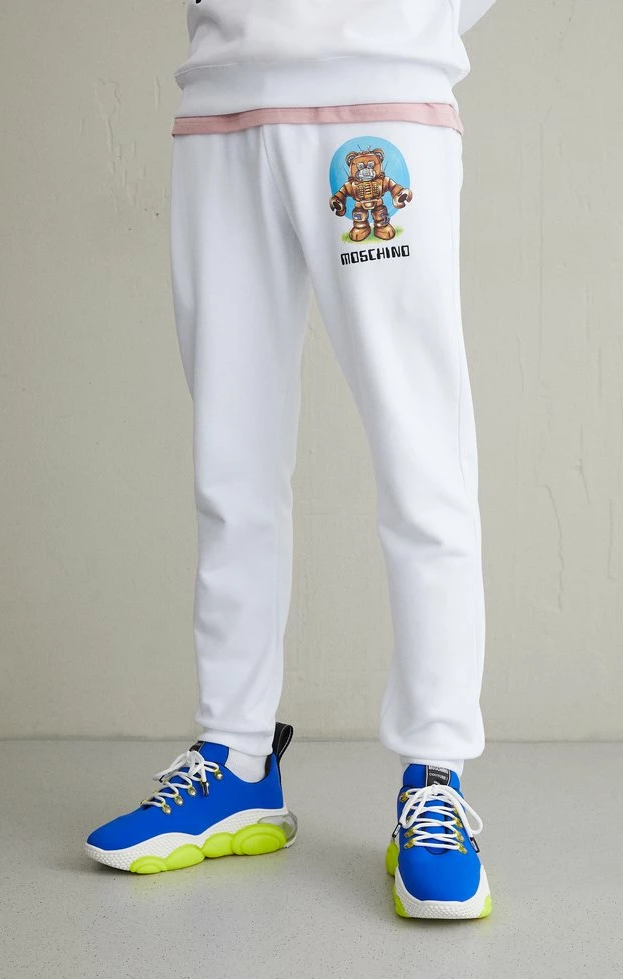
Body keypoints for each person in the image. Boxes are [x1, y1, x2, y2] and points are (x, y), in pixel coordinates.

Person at [85, 0, 497, 920]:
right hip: (221, 101)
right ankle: (237, 758)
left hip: (380, 93)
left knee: (421, 456)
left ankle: (436, 775)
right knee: (230, 461)